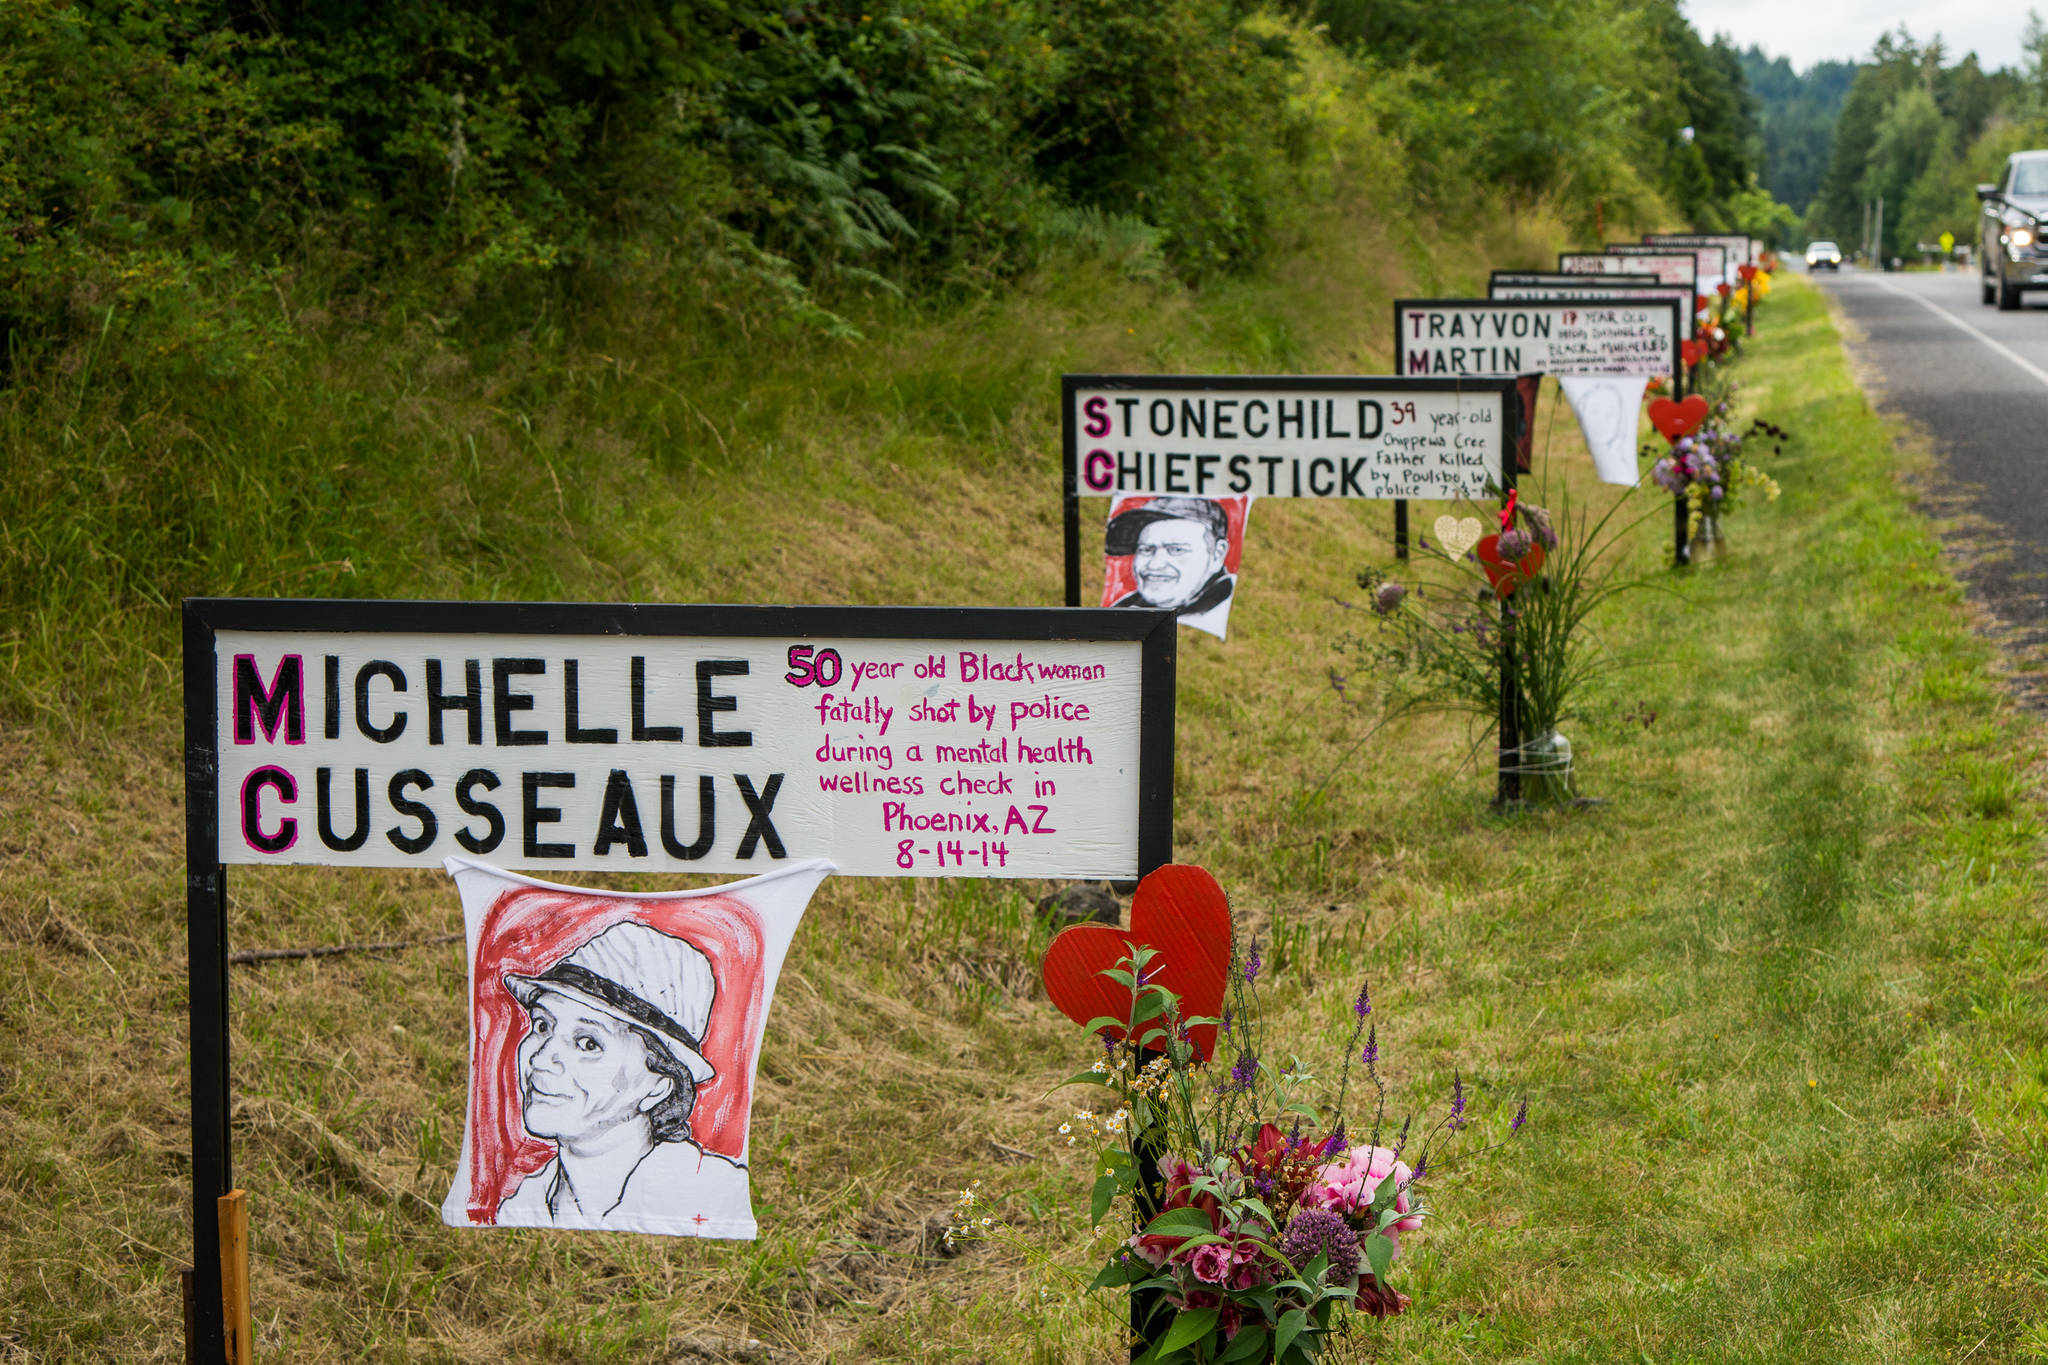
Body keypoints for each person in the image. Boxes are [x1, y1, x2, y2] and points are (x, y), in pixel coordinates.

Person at [496, 920, 752, 1234]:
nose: (542, 1058)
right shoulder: (523, 1204)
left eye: (588, 1043)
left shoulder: (712, 1196)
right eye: (542, 1026)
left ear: (657, 1086)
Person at [1105, 496, 1236, 634]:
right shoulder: (1124, 610)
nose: (1155, 565)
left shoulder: (1226, 617)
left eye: (1176, 550)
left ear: (1217, 555)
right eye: (1146, 550)